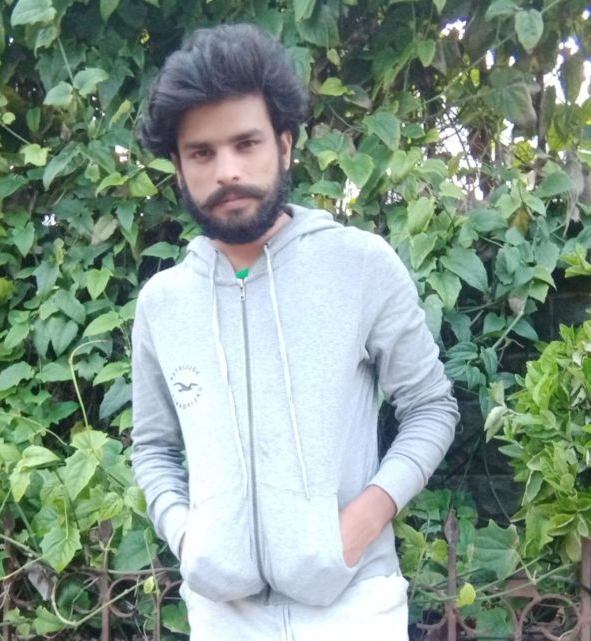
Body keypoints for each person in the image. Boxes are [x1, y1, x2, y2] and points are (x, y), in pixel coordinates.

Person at [131, 23, 458, 641]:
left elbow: (431, 408)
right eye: (201, 153)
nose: (227, 171)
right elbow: (152, 447)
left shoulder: (359, 265)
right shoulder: (162, 304)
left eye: (246, 143)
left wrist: (359, 524)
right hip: (223, 618)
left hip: (353, 608)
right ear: (178, 167)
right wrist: (187, 537)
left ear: (284, 145)